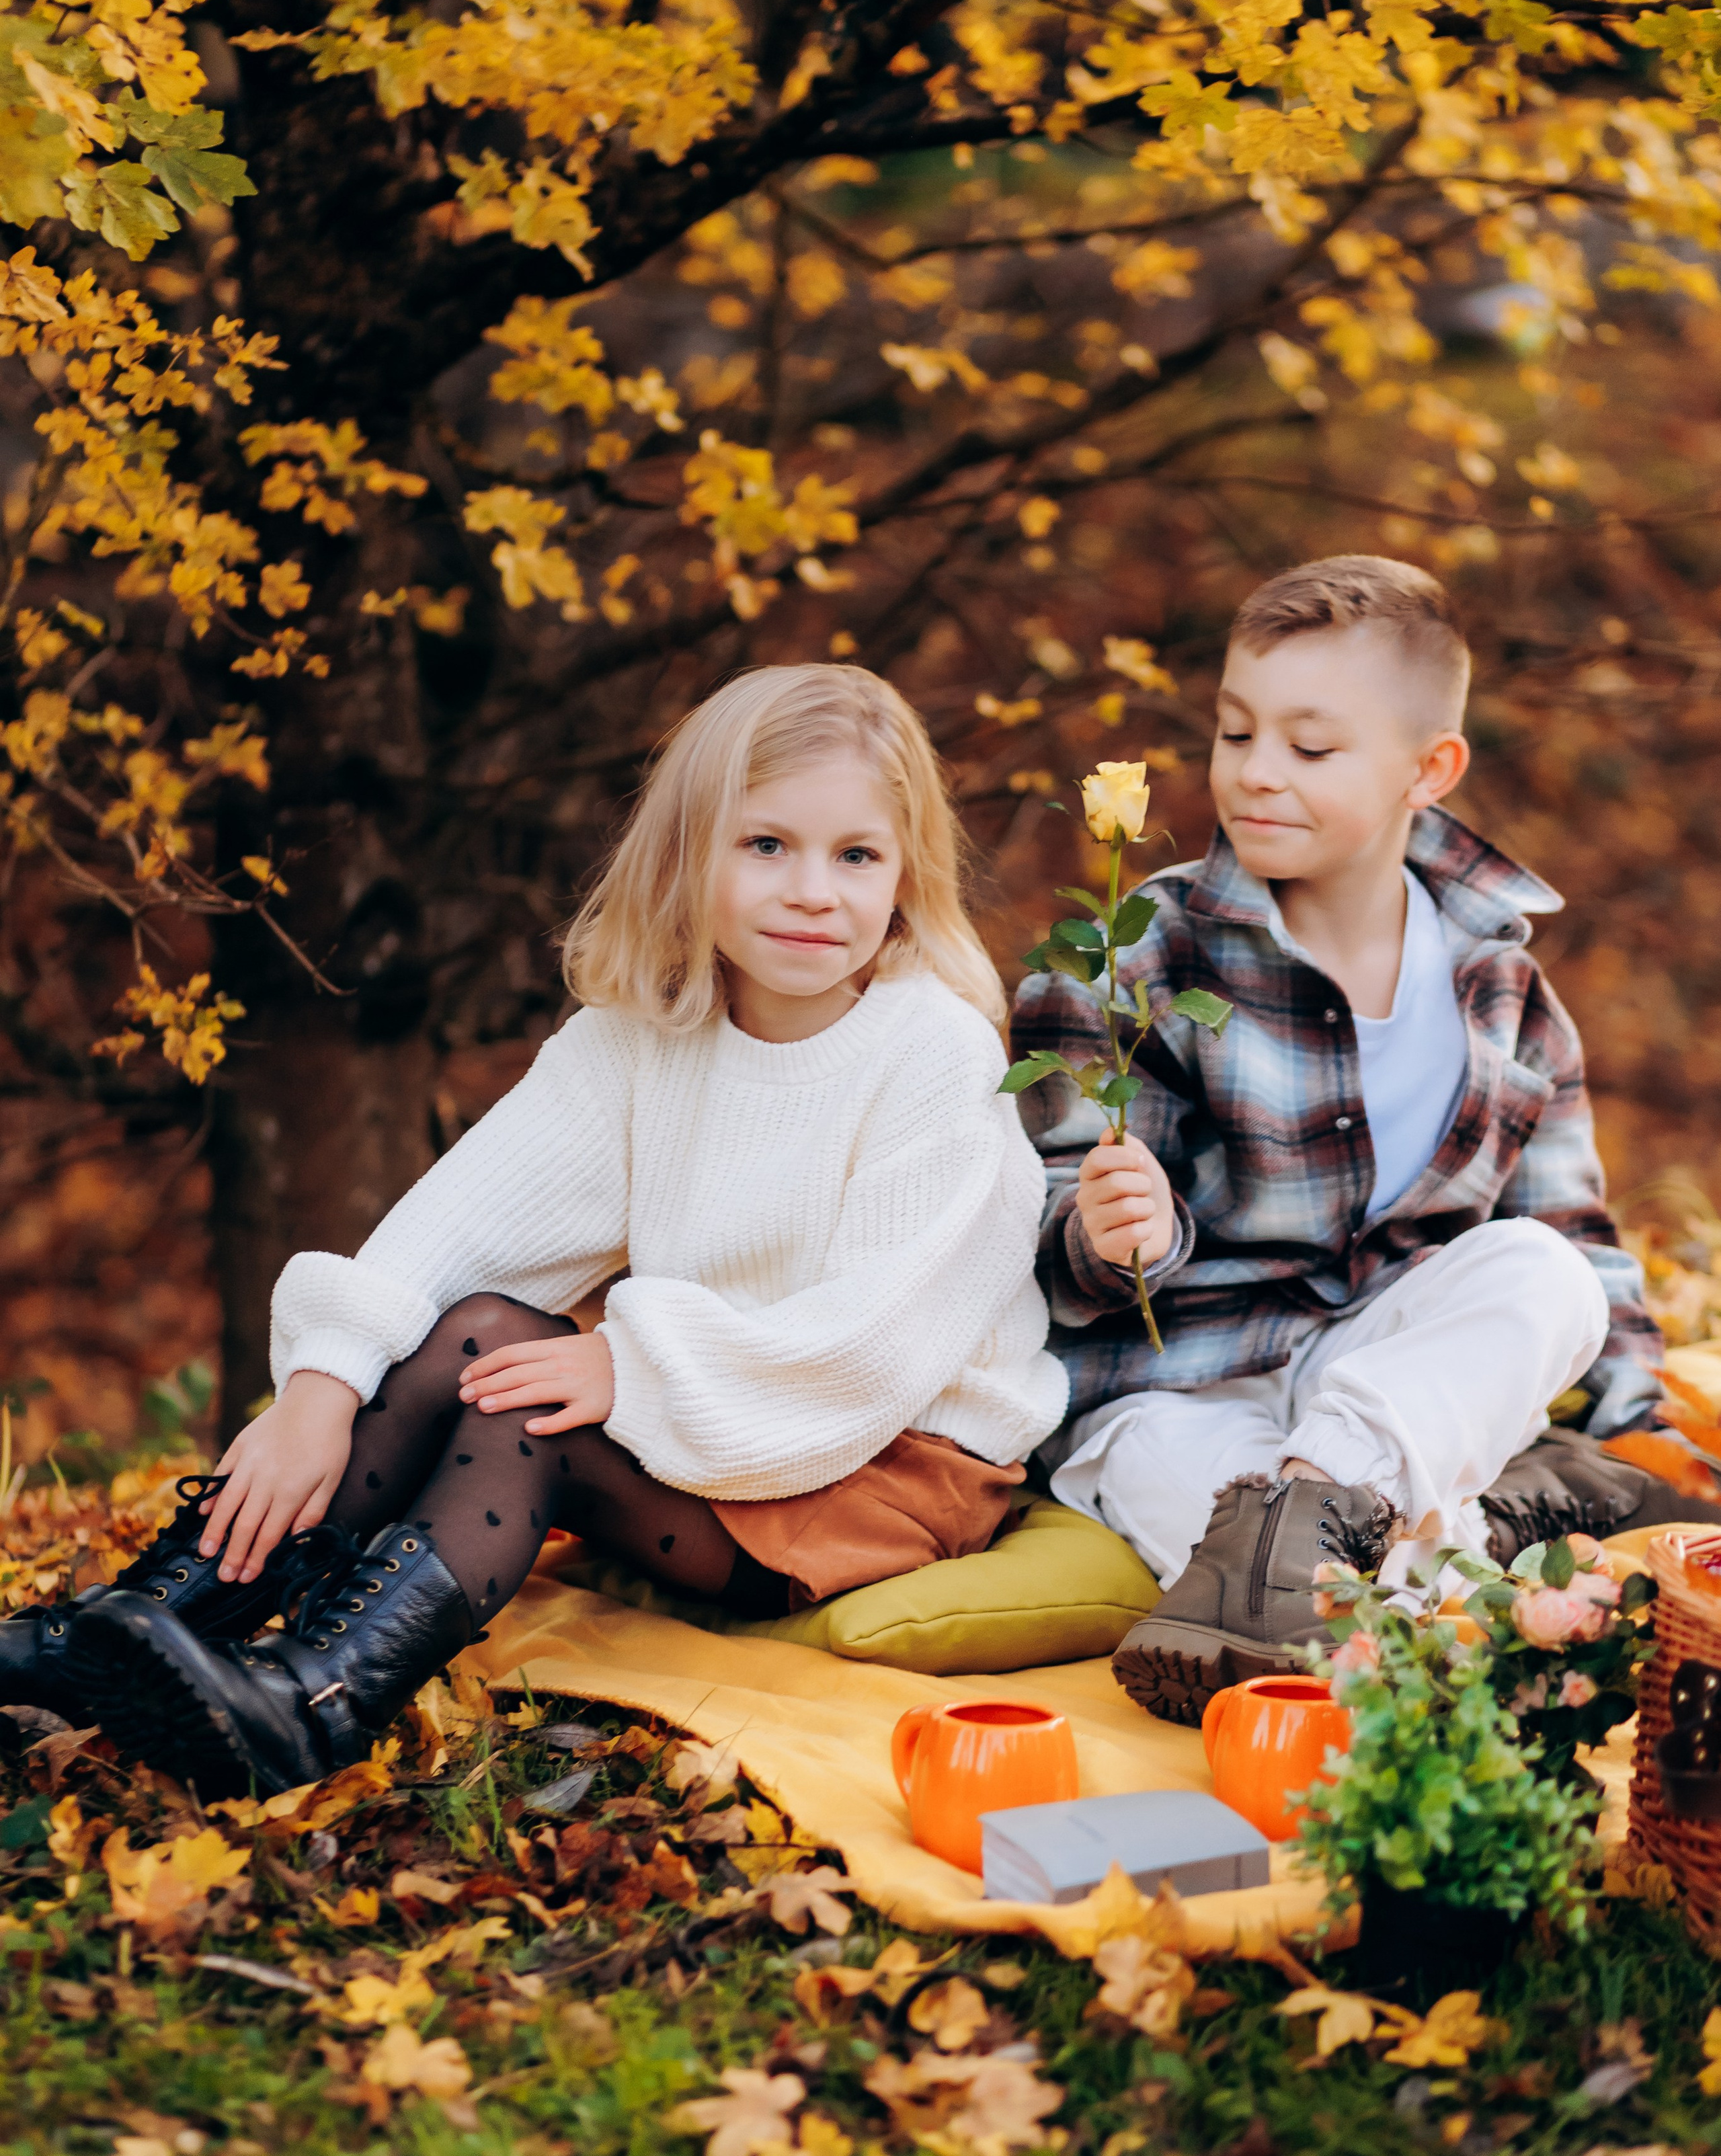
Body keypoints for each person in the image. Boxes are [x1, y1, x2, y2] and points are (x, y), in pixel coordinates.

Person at [57, 664, 1066, 1792]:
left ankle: (312, 1701)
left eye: (857, 856)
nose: (813, 892)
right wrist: (322, 1388)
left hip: (878, 1468)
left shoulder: (935, 1054)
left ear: (908, 875)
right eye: (766, 846)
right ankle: (134, 1630)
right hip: (720, 1421)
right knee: (484, 1326)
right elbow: (460, 1224)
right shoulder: (645, 1035)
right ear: (689, 854)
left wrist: (627, 1363)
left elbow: (871, 1346)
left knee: (524, 1406)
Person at [1013, 554, 1692, 1726]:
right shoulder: (1130, 960)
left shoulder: (1502, 988)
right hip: (1181, 1389)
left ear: (1429, 770)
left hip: (1386, 1385)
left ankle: (1336, 1519)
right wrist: (1110, 1232)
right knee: (1238, 1539)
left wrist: (1644, 1429)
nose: (1256, 775)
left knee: (1543, 1276)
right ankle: (1486, 1537)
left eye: (1310, 749)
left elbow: (1572, 1230)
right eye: (1235, 734)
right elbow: (1040, 1208)